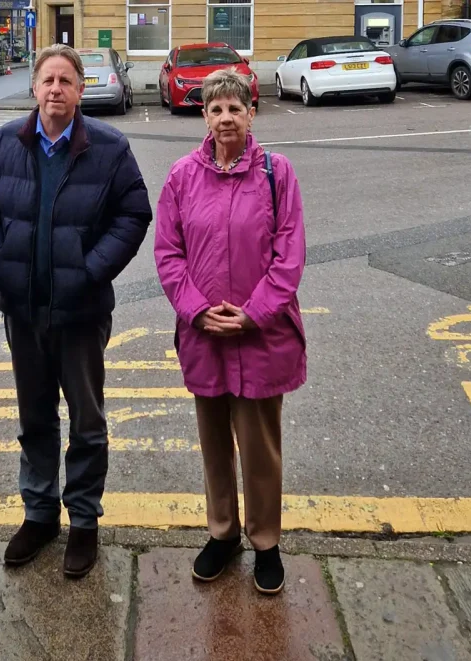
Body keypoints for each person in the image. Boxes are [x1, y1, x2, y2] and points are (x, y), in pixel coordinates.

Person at [0, 44, 152, 579]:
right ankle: (40, 513)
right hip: (23, 310)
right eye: (47, 80)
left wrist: (91, 270)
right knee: (34, 417)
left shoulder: (110, 148)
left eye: (66, 81)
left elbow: (134, 213)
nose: (55, 90)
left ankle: (85, 522)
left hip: (82, 312)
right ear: (34, 88)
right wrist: (1, 265)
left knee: (87, 422)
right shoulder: (5, 142)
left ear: (80, 89)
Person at [154, 69, 306, 595]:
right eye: (215, 109)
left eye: (234, 109)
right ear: (204, 116)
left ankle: (266, 542)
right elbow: (169, 254)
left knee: (261, 447)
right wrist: (197, 310)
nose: (225, 119)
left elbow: (289, 256)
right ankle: (223, 534)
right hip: (204, 334)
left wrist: (253, 313)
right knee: (214, 443)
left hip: (260, 335)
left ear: (251, 114)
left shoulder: (276, 172)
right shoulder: (181, 176)